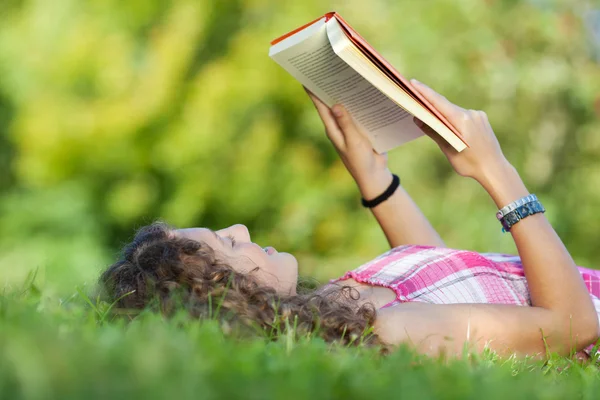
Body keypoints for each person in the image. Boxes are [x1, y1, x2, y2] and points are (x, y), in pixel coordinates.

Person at [99, 80, 600, 358]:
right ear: (227, 297)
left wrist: (374, 178)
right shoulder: (379, 330)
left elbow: (441, 272)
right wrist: (497, 172)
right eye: (228, 246)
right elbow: (571, 326)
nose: (243, 231)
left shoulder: (340, 305)